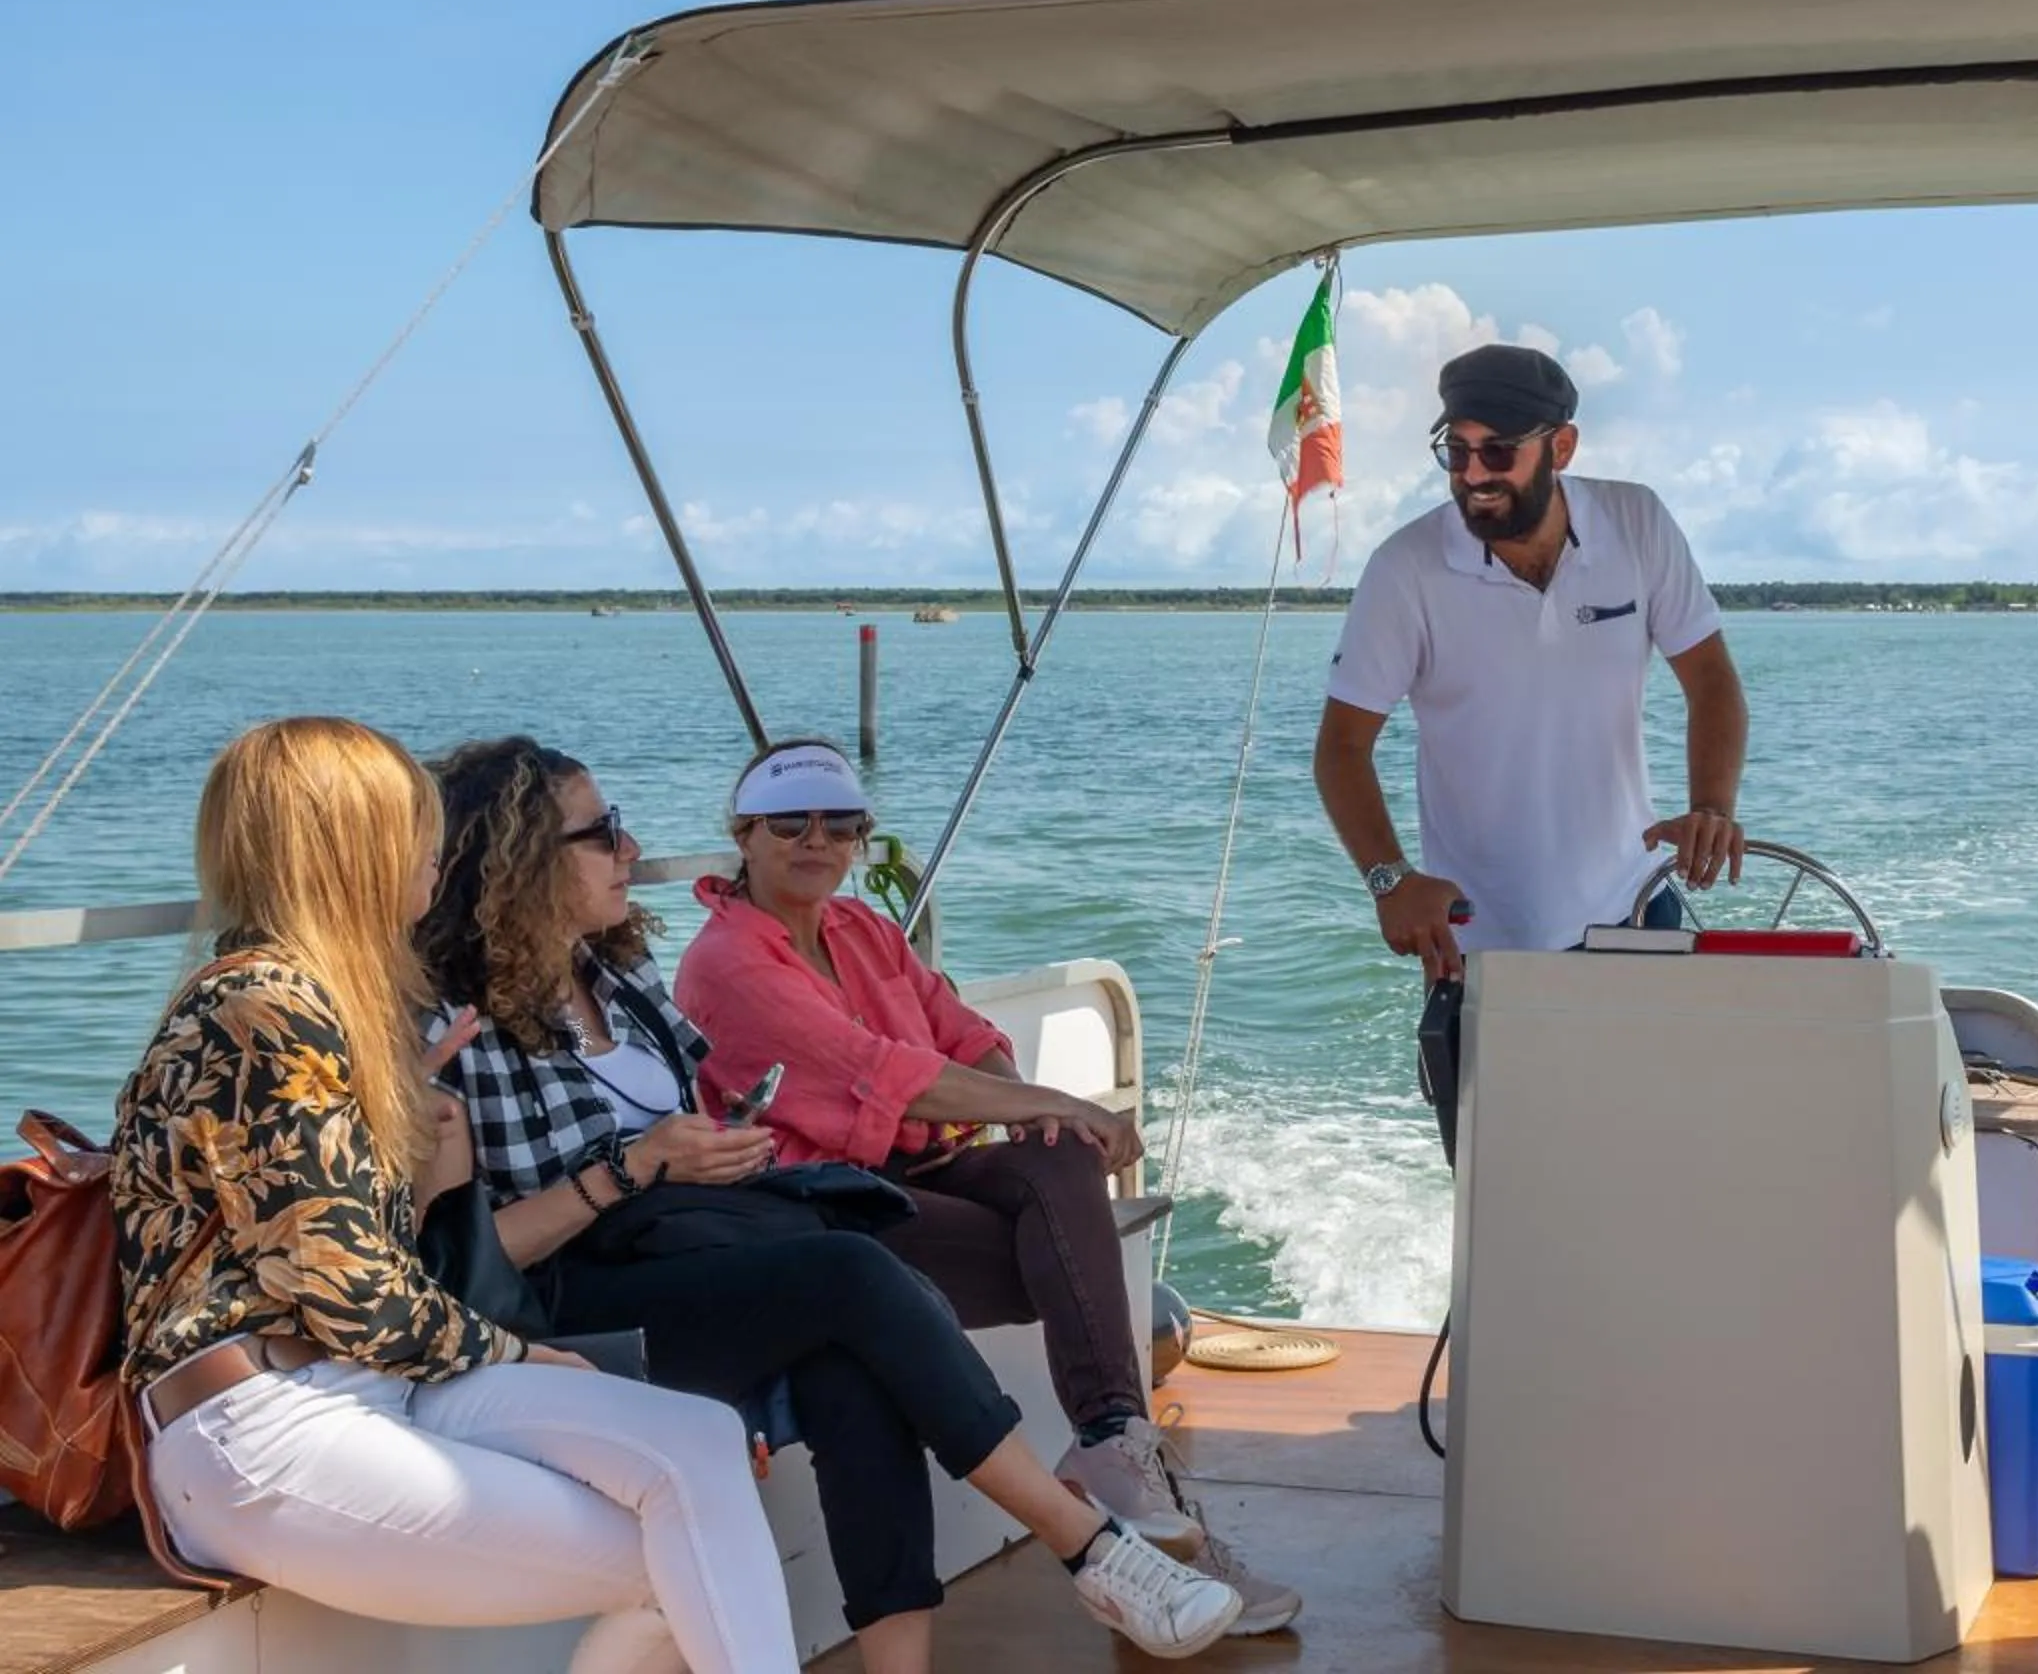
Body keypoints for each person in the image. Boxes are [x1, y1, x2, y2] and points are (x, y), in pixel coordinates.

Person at [414, 737, 1255, 1667]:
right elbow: (461, 1264)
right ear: (523, 858)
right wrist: (639, 1167)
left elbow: (947, 1038)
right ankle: (1090, 1543)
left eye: (842, 823)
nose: (630, 846)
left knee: (854, 1367)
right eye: (602, 832)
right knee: (853, 1272)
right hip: (575, 1296)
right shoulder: (458, 1026)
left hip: (698, 1246)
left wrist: (710, 1151)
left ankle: (973, 1602)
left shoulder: (619, 977)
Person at [110, 716, 803, 1674]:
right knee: (680, 1555)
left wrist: (414, 1154)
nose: (436, 853)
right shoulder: (265, 1013)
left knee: (702, 1441)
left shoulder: (330, 1001)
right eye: (413, 829)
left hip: (368, 1384)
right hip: (260, 1424)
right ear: (352, 847)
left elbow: (336, 1249)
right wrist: (522, 1353)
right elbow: (347, 1289)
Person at [671, 739, 1298, 1635]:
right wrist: (1049, 1098)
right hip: (820, 1204)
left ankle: (1114, 1439)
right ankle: (1137, 1505)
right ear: (744, 834)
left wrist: (1034, 1114)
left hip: (926, 1165)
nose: (818, 839)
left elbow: (962, 1037)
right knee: (1068, 1252)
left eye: (841, 824)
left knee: (1059, 1162)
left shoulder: (867, 932)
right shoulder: (728, 962)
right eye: (790, 822)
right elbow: (888, 1073)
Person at [1311, 342, 1750, 1155]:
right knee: (1508, 1188)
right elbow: (1341, 748)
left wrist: (1713, 808)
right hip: (1484, 945)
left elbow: (1713, 679)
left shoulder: (1637, 523)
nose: (1474, 473)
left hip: (1633, 907)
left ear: (1562, 447)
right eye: (1457, 450)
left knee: (1659, 1159)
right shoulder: (1405, 570)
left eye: (1498, 452)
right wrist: (1389, 879)